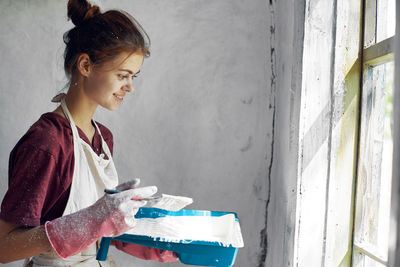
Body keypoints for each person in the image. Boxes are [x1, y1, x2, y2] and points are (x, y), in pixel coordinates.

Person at [0, 0, 178, 266]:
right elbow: (4, 247)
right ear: (85, 65)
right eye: (123, 75)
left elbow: (96, 232)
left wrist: (155, 238)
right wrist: (86, 222)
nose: (130, 87)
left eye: (134, 77)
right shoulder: (47, 143)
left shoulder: (102, 138)